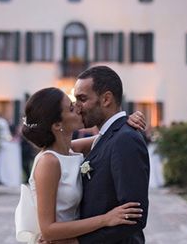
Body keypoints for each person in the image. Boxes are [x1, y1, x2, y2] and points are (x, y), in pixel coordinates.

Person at [21, 84, 147, 244]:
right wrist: (106, 219)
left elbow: (114, 136)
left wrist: (126, 119)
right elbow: (48, 230)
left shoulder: (70, 150)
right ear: (57, 125)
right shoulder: (49, 162)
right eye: (72, 108)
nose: (79, 109)